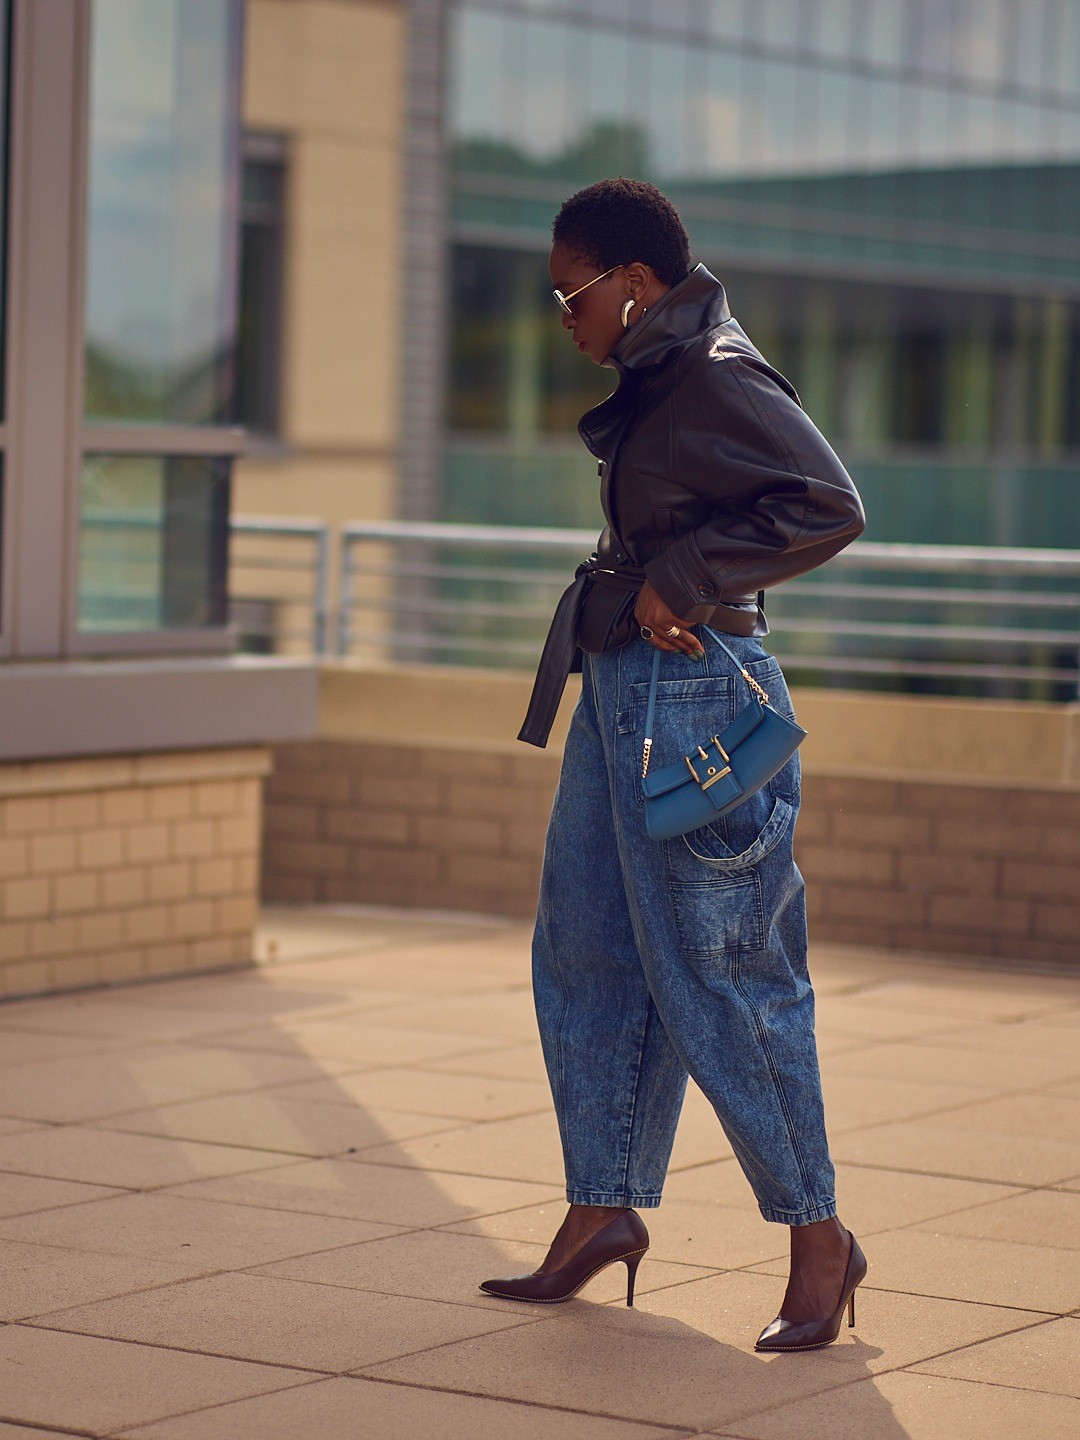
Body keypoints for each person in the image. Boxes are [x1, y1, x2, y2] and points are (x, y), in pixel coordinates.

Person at [480, 179, 867, 1352]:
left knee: (726, 973)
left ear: (633, 283)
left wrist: (686, 576)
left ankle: (819, 1239)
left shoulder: (716, 371)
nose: (563, 314)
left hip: (696, 698)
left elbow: (829, 504)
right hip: (622, 691)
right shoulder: (666, 370)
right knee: (589, 950)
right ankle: (602, 1206)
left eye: (571, 291)